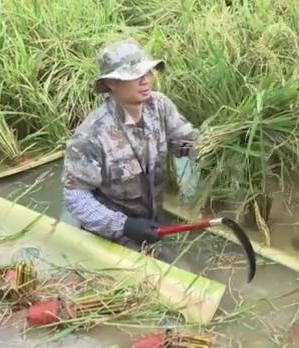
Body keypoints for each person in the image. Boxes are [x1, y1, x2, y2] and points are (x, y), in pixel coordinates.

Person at [63, 38, 199, 250]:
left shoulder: (160, 106)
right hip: (112, 233)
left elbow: (185, 142)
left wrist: (215, 148)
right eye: (135, 75)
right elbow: (76, 197)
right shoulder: (91, 135)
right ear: (111, 83)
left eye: (148, 73)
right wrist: (123, 225)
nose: (145, 80)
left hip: (153, 221)